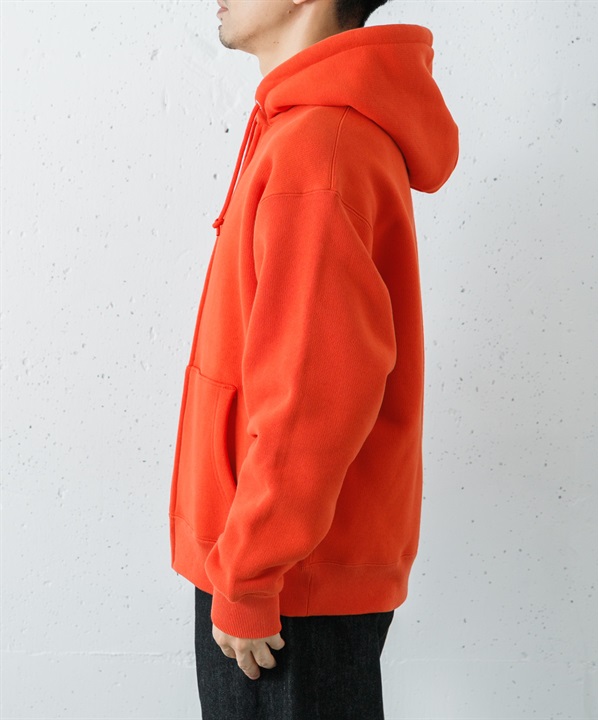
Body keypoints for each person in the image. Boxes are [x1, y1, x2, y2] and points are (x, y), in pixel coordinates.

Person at [168, 0, 460, 717]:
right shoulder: (305, 130)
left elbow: (314, 395)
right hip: (279, 561)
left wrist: (249, 575)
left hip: (284, 581)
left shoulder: (319, 145)